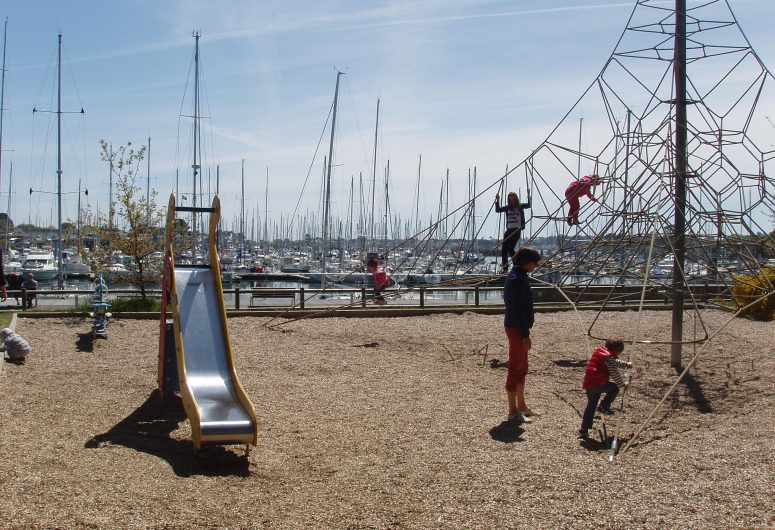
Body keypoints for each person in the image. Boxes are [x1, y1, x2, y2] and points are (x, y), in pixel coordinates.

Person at [503, 247, 541, 422]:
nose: (535, 266)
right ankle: (513, 410)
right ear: (527, 262)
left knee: (522, 367)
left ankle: (522, 405)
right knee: (516, 367)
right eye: (534, 263)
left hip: (518, 326)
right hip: (517, 328)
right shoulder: (517, 279)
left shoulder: (517, 276)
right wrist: (525, 335)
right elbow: (517, 310)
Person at [578, 337, 633, 439]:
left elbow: (614, 362)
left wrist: (626, 364)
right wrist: (622, 384)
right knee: (615, 388)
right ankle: (604, 406)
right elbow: (614, 372)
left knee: (591, 406)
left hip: (588, 384)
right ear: (617, 350)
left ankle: (583, 428)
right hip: (598, 383)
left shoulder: (600, 352)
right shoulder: (609, 357)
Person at [494, 191, 531, 273]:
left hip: (516, 230)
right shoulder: (508, 208)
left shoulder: (520, 206)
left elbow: (529, 205)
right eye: (510, 200)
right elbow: (498, 210)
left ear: (516, 199)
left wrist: (528, 195)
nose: (512, 201)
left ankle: (517, 265)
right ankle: (505, 269)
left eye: (513, 199)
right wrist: (497, 200)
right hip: (509, 230)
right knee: (504, 250)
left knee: (511, 248)